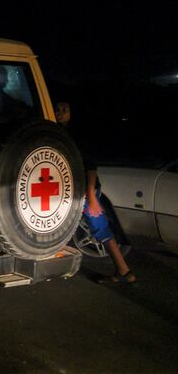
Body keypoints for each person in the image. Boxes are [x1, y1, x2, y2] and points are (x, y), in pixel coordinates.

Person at [55, 101, 135, 283]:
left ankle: (124, 272)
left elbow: (91, 167)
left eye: (64, 110)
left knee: (100, 229)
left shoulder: (79, 135)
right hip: (71, 190)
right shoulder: (60, 133)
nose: (60, 113)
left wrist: (91, 197)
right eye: (57, 109)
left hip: (85, 191)